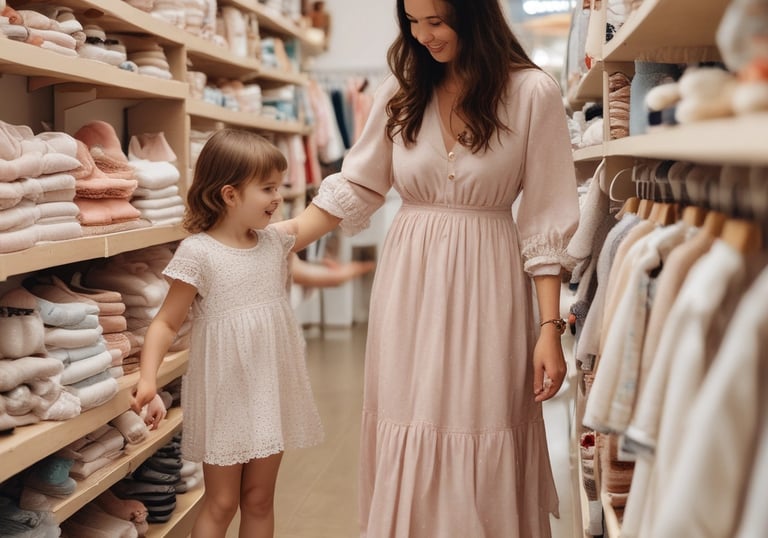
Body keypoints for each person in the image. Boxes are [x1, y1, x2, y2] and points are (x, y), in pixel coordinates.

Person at [274, 0, 580, 536]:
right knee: (406, 413)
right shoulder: (404, 89)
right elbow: (358, 183)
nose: (423, 37)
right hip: (409, 281)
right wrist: (279, 238)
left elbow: (545, 218)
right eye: (412, 23)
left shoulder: (533, 92)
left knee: (481, 415)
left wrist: (549, 330)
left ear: (474, 15)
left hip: (490, 281)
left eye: (436, 22)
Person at [131, 129, 323, 538]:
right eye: (268, 187)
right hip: (225, 396)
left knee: (259, 500)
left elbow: (323, 216)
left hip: (269, 391)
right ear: (230, 194)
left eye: (279, 185)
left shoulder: (274, 244)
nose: (278, 196)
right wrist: (148, 380)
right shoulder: (199, 252)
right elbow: (166, 321)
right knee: (220, 503)